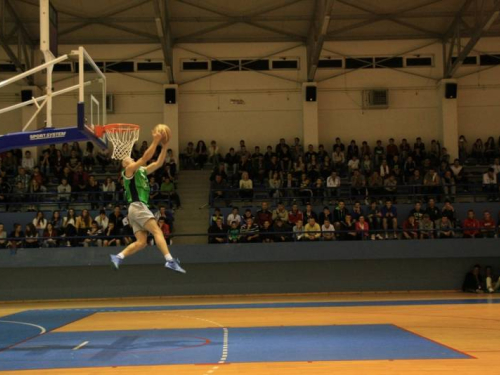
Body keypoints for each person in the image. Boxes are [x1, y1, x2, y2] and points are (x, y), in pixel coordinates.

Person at [110, 127, 185, 273]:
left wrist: (164, 146)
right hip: (137, 206)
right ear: (125, 165)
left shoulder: (142, 171)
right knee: (157, 231)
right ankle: (169, 260)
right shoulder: (128, 171)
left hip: (134, 210)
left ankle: (118, 256)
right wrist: (156, 140)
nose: (128, 157)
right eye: (126, 159)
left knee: (142, 242)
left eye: (130, 157)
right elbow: (145, 158)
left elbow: (158, 163)